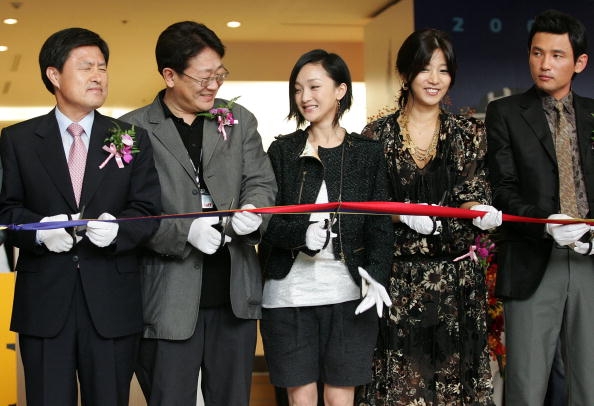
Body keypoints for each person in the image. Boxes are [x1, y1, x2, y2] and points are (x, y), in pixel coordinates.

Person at [0, 28, 161, 406]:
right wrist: (38, 232)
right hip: (44, 302)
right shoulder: (18, 140)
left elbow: (147, 211)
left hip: (111, 302)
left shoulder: (130, 137)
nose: (97, 76)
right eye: (86, 67)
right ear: (54, 76)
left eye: (102, 68)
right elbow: (7, 209)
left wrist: (118, 231)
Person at [119, 21, 277, 406]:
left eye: (219, 75)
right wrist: (182, 232)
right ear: (169, 75)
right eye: (203, 77)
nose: (213, 86)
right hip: (167, 298)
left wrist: (255, 211)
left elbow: (261, 182)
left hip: (234, 292)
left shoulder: (239, 120)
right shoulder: (130, 130)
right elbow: (125, 213)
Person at [357, 29, 500, 405]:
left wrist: (480, 212)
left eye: (443, 70)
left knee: (454, 387)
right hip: (399, 282)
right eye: (425, 69)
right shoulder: (377, 136)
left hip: (456, 284)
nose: (434, 79)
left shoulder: (468, 134)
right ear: (405, 73)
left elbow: (472, 193)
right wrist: (402, 215)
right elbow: (365, 205)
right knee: (402, 387)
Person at [258, 49, 393, 406]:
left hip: (350, 294)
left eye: (314, 86)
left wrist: (378, 275)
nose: (305, 97)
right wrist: (299, 236)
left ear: (341, 90)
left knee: (340, 397)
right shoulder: (282, 151)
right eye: (298, 89)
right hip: (287, 296)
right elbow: (265, 222)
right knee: (299, 397)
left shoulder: (367, 152)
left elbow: (380, 226)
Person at [486, 9, 594, 405]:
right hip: (533, 260)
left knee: (591, 385)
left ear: (579, 62)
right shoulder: (506, 113)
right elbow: (503, 189)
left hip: (590, 260)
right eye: (537, 52)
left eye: (557, 55)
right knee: (526, 389)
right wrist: (545, 222)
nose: (544, 64)